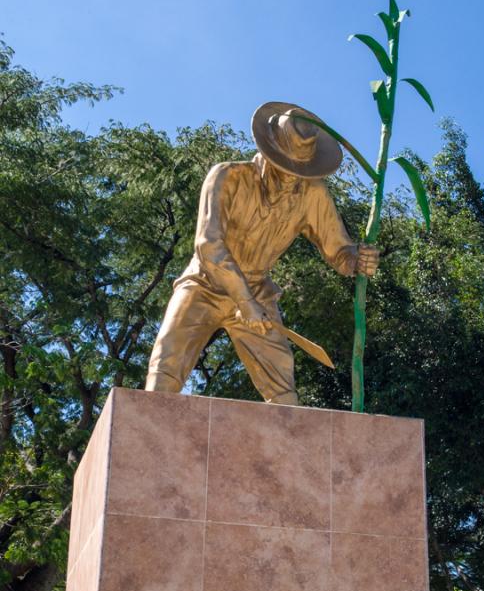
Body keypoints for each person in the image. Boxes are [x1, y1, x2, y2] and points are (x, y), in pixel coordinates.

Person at [145, 101, 379, 405]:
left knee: (284, 394)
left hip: (258, 290)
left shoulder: (312, 194)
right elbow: (208, 244)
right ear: (269, 153)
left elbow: (339, 249)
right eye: (286, 169)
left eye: (301, 170)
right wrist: (243, 300)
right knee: (165, 367)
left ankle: (292, 450)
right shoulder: (227, 177)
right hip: (205, 282)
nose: (293, 178)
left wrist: (356, 260)